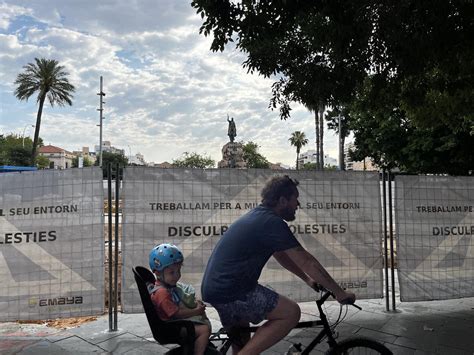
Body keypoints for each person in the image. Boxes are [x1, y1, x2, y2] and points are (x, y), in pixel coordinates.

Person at [201, 175, 356, 354]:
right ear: (282, 200)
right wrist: (340, 293)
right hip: (234, 290)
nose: (298, 204)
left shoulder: (260, 216)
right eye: (295, 199)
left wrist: (307, 279)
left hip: (217, 289)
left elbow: (280, 254)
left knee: (243, 344)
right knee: (290, 313)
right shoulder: (271, 222)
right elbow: (307, 261)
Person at [149, 243, 211, 355]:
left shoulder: (166, 286)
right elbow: (176, 314)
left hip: (173, 323)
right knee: (204, 330)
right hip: (172, 328)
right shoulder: (162, 293)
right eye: (172, 272)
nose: (177, 275)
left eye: (178, 271)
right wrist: (197, 311)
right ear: (158, 273)